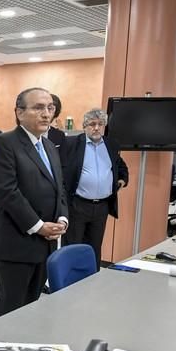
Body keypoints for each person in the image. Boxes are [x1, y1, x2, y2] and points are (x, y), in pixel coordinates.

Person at [0, 87, 68, 319]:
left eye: (49, 108)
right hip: (17, 244)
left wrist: (62, 219)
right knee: (9, 311)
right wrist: (39, 225)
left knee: (30, 309)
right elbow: (8, 192)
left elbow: (60, 188)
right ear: (19, 113)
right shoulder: (4, 144)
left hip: (46, 245)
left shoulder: (50, 146)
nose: (46, 114)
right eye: (38, 107)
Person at [60, 108, 129, 267]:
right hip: (77, 205)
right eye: (92, 124)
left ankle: (92, 280)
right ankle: (69, 281)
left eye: (100, 124)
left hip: (102, 207)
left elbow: (120, 165)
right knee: (72, 247)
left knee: (94, 247)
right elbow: (59, 168)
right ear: (84, 126)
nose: (96, 128)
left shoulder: (111, 144)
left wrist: (122, 180)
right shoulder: (72, 144)